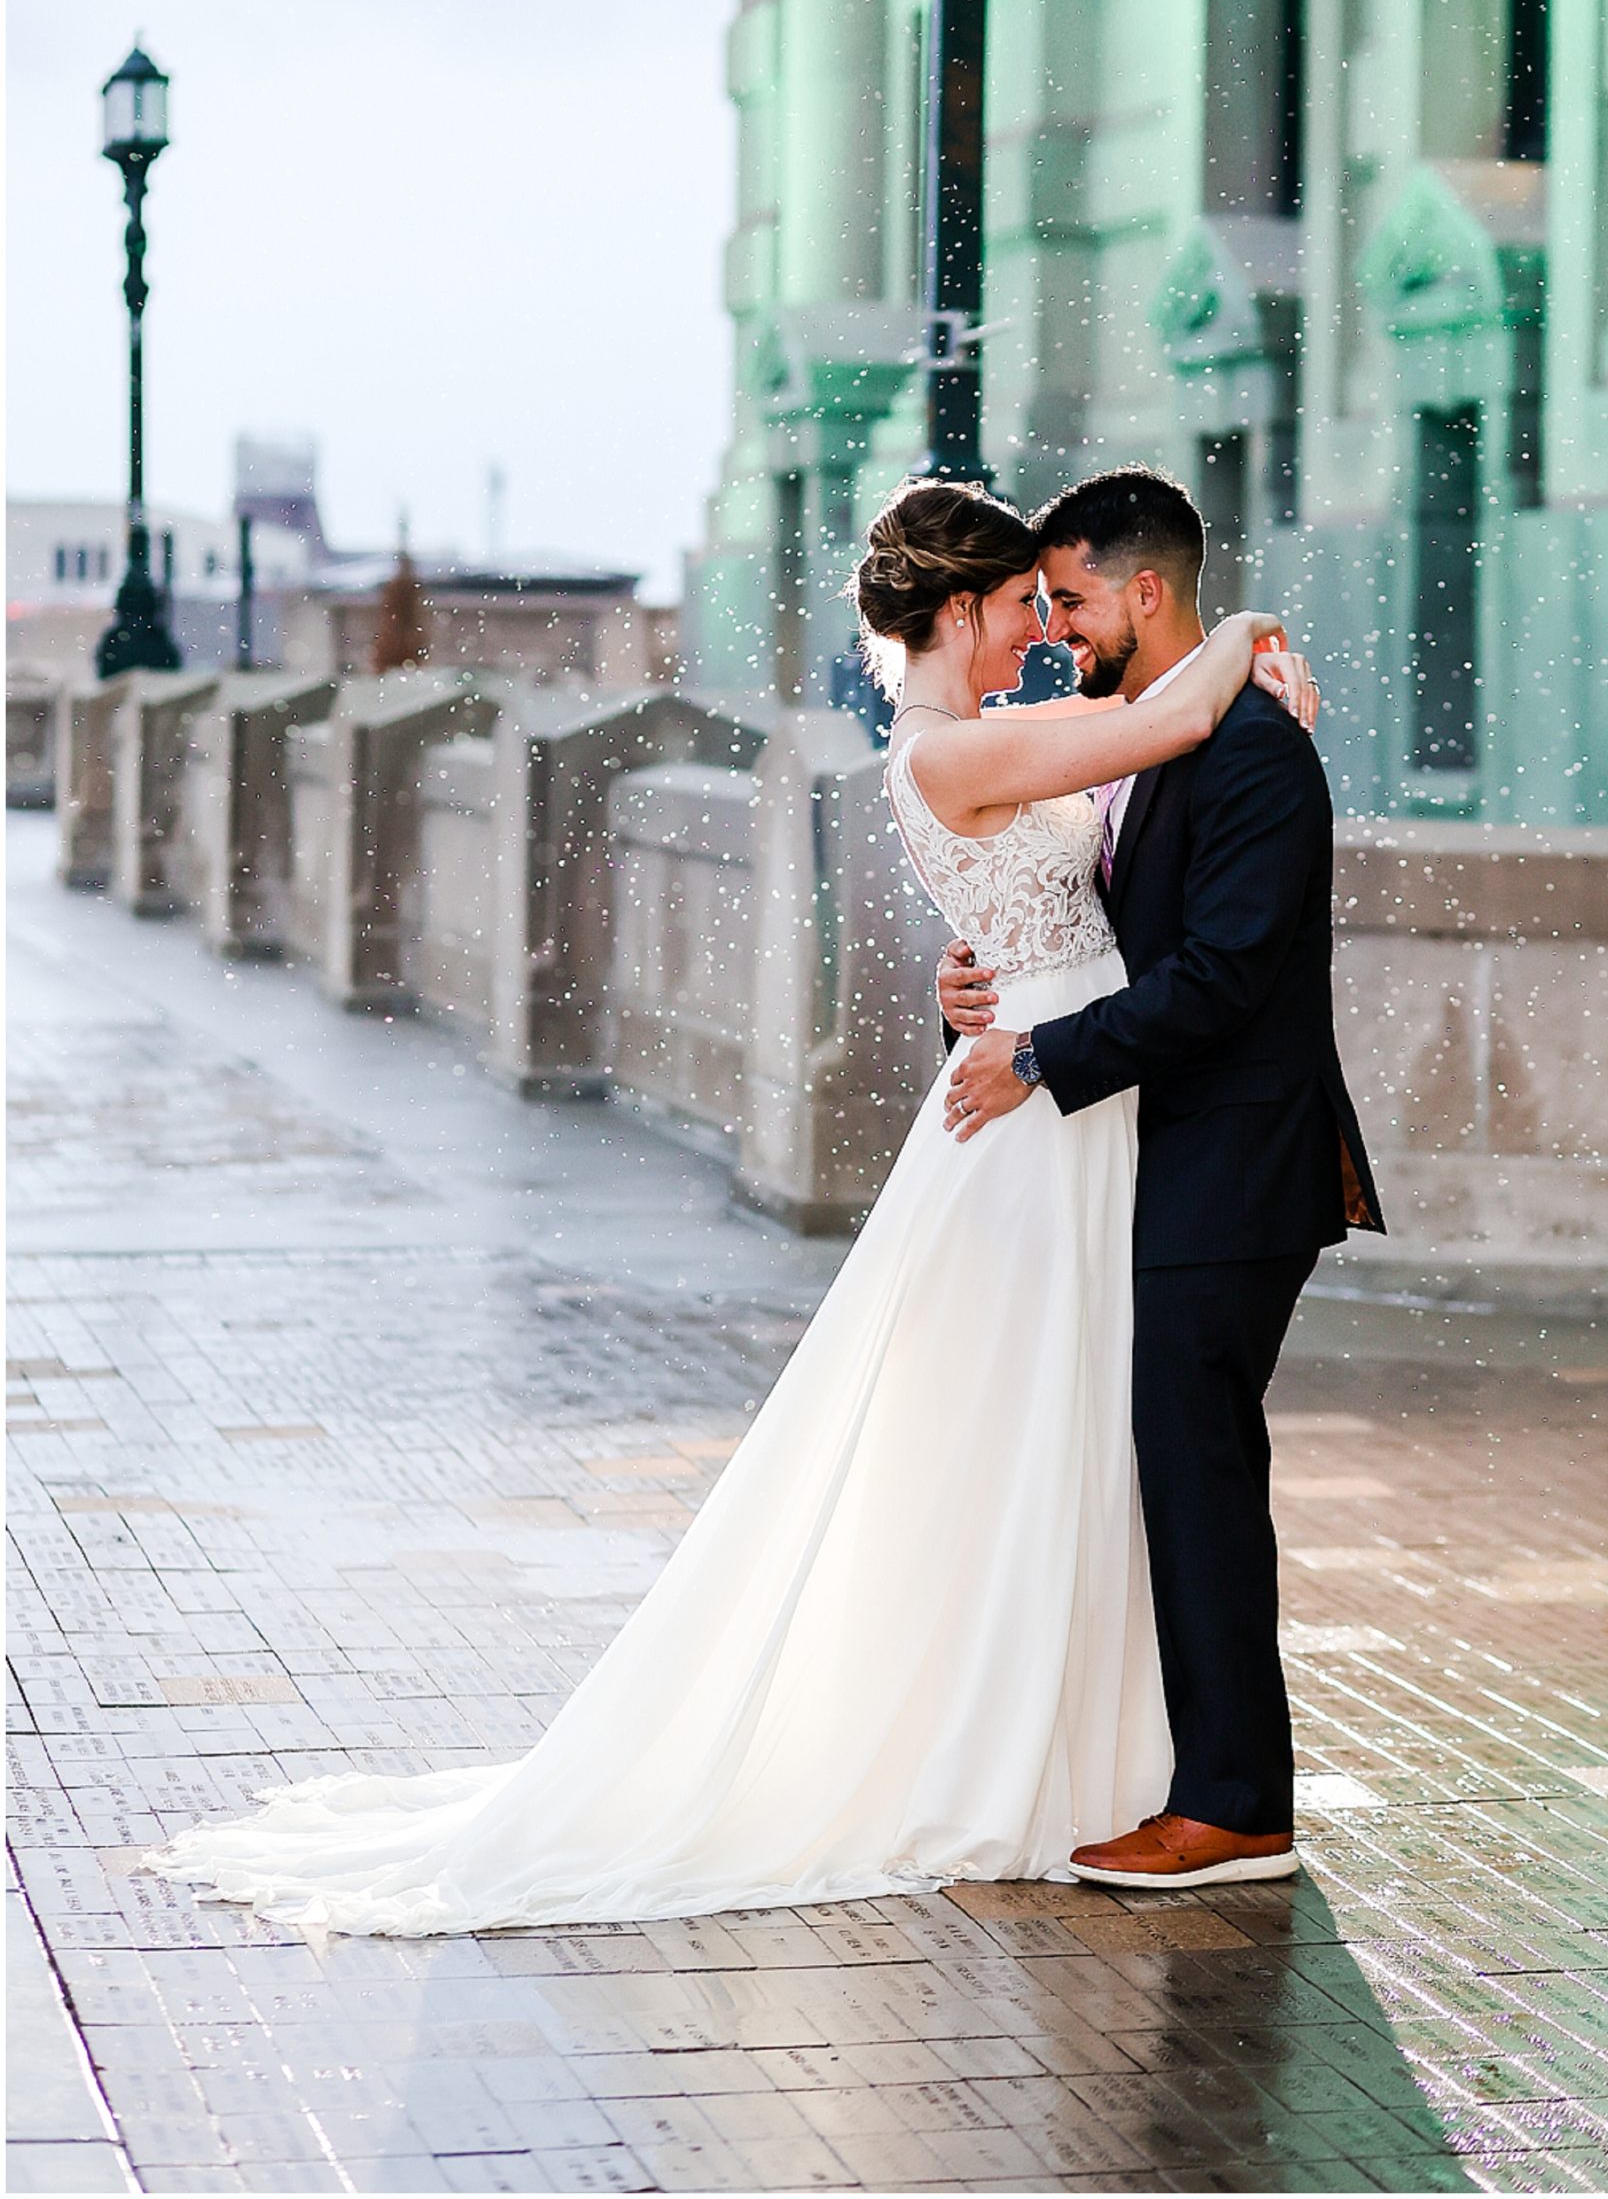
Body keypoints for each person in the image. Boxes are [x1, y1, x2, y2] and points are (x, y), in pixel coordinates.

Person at [143, 476, 1319, 1936]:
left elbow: (1119, 869)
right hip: (1039, 1107)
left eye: (1062, 599)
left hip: (1073, 1096)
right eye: (1027, 601)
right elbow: (1159, 735)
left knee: (1079, 1433)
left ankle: (1144, 1760)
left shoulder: (1006, 737)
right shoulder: (963, 747)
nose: (1045, 626)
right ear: (960, 610)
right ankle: (1079, 1756)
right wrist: (1254, 628)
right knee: (1032, 1428)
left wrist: (991, 990)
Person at [940, 466, 1383, 1890]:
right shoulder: (1157, 732)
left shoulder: (1252, 749)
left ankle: (1237, 1804)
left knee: (1195, 1470)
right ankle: (1200, 1778)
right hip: (1169, 1148)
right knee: (1174, 1464)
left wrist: (1043, 1057)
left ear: (1144, 591)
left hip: (1238, 1157)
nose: (1057, 627)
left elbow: (1223, 977)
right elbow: (1104, 932)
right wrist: (982, 989)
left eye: (1069, 598)